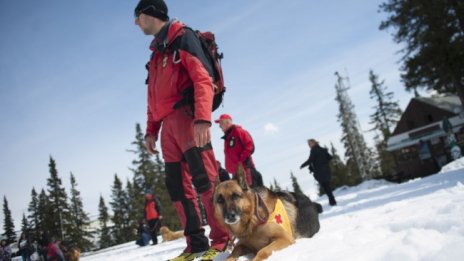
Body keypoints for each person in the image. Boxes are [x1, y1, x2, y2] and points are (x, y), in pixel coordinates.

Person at [134, 1, 231, 260]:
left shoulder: (182, 37)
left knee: (205, 179)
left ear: (151, 13)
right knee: (177, 186)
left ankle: (222, 239)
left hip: (188, 118)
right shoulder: (156, 53)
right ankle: (195, 243)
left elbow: (202, 78)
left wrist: (202, 118)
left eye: (138, 16)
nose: (136, 22)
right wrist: (151, 130)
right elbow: (152, 99)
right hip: (167, 128)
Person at [215, 114, 263, 187]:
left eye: (221, 123)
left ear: (227, 122)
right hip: (235, 174)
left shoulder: (239, 132)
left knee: (251, 194)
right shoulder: (227, 138)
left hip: (245, 170)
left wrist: (240, 161)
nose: (219, 126)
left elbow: (250, 146)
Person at [300, 139, 337, 206]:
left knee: (326, 186)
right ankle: (332, 200)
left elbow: (310, 160)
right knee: (327, 185)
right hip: (326, 169)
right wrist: (323, 162)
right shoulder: (322, 149)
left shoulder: (314, 150)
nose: (309, 145)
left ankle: (332, 201)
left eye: (310, 143)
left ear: (314, 143)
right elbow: (330, 157)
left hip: (320, 171)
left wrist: (303, 165)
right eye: (308, 144)